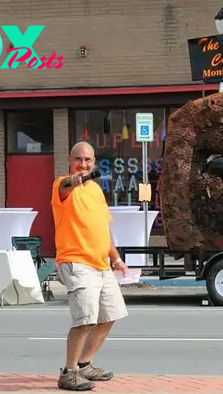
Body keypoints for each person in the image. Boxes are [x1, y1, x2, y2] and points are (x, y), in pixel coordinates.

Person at [52, 141, 129, 391]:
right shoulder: (62, 184)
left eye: (88, 160)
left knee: (110, 316)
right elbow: (65, 187)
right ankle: (69, 371)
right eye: (79, 159)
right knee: (85, 320)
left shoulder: (96, 190)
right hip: (77, 261)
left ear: (94, 162)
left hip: (101, 263)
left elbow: (103, 229)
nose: (83, 164)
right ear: (69, 160)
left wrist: (116, 258)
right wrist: (76, 180)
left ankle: (85, 364)